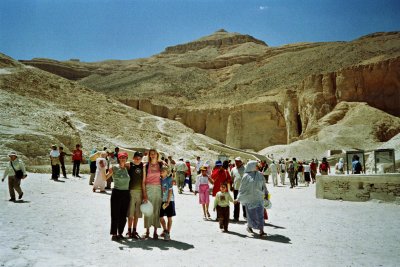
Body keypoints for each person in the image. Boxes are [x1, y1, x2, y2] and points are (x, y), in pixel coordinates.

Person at [236, 160, 267, 237]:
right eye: (256, 165)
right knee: (251, 215)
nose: (258, 166)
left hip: (259, 198)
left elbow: (264, 185)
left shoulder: (260, 175)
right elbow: (242, 188)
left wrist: (266, 193)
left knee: (260, 214)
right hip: (249, 199)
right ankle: (249, 227)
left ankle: (261, 230)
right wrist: (238, 198)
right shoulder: (246, 176)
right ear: (251, 166)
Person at [106, 152, 131, 241]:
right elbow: (105, 177)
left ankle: (120, 233)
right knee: (115, 214)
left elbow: (141, 163)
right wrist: (101, 169)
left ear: (127, 158)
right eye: (121, 157)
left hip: (126, 193)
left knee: (123, 215)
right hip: (116, 192)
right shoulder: (114, 167)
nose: (123, 159)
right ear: (118, 158)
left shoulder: (128, 167)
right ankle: (114, 233)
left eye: (124, 157)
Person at [142, 148, 163, 239]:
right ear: (149, 155)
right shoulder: (146, 166)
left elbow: (167, 175)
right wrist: (144, 194)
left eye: (154, 154)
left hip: (158, 189)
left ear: (157, 155)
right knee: (148, 210)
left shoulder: (161, 165)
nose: (153, 155)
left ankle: (155, 231)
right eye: (151, 154)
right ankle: (147, 231)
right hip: (149, 188)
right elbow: (143, 181)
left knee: (156, 210)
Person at [126, 151, 144, 239]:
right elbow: (120, 165)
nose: (138, 159)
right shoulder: (129, 164)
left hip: (140, 192)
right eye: (136, 158)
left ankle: (134, 230)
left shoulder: (142, 165)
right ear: (133, 157)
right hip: (131, 191)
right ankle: (128, 230)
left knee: (137, 213)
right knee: (130, 213)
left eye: (140, 158)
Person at [159, 166, 175, 241]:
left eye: (164, 170)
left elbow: (170, 191)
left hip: (169, 200)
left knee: (169, 217)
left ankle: (168, 232)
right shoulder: (159, 180)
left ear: (167, 172)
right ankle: (165, 230)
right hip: (161, 200)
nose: (162, 171)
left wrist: (168, 201)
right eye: (161, 170)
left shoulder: (169, 179)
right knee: (160, 216)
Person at [230, 157, 246, 221]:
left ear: (241, 162)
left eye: (238, 161)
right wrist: (231, 186)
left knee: (244, 202)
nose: (236, 162)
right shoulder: (233, 169)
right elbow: (231, 179)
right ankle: (236, 217)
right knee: (236, 203)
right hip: (236, 188)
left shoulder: (245, 169)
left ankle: (246, 216)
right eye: (235, 161)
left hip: (243, 188)